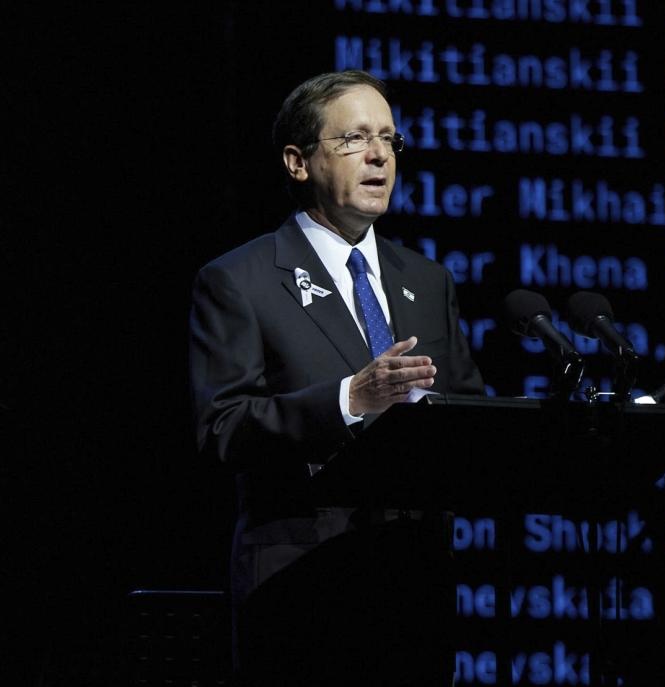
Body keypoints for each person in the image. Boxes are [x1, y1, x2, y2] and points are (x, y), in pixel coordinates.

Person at [189, 70, 484, 685]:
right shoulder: (240, 280)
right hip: (300, 584)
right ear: (298, 163)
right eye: (353, 139)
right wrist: (351, 398)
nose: (379, 155)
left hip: (414, 588)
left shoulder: (428, 281)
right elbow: (223, 428)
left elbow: (464, 413)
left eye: (388, 140)